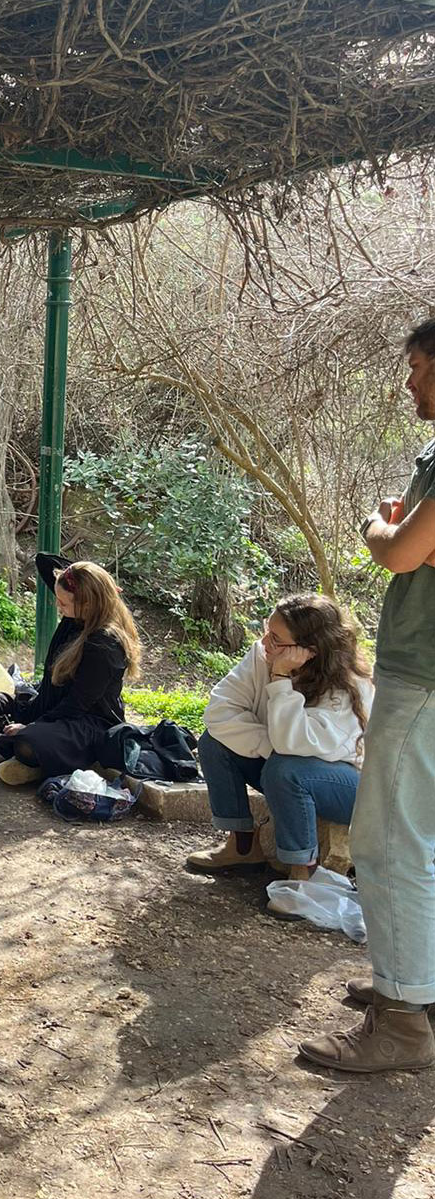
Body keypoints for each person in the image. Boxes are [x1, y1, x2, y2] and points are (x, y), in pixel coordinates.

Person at [301, 319, 435, 1073]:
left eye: (417, 367)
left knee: (387, 845)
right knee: (422, 842)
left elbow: (403, 550)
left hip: (423, 677)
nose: (408, 382)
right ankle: (417, 985)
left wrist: (377, 527)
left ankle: (402, 1022)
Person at [186, 595, 372, 881]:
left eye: (275, 638)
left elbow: (294, 745)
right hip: (283, 766)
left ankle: (303, 869)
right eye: (266, 629)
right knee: (214, 743)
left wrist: (281, 678)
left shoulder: (348, 685)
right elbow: (219, 712)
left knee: (286, 768)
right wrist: (271, 744)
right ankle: (243, 846)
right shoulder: (262, 655)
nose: (264, 642)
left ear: (309, 650)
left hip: (350, 789)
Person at [0, 554, 141, 785]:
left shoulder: (104, 644)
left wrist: (31, 726)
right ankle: (27, 755)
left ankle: (27, 754)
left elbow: (77, 705)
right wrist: (84, 576)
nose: (58, 606)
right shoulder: (76, 618)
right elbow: (44, 562)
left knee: (28, 739)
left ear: (88, 603)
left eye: (64, 603)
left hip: (84, 724)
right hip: (46, 706)